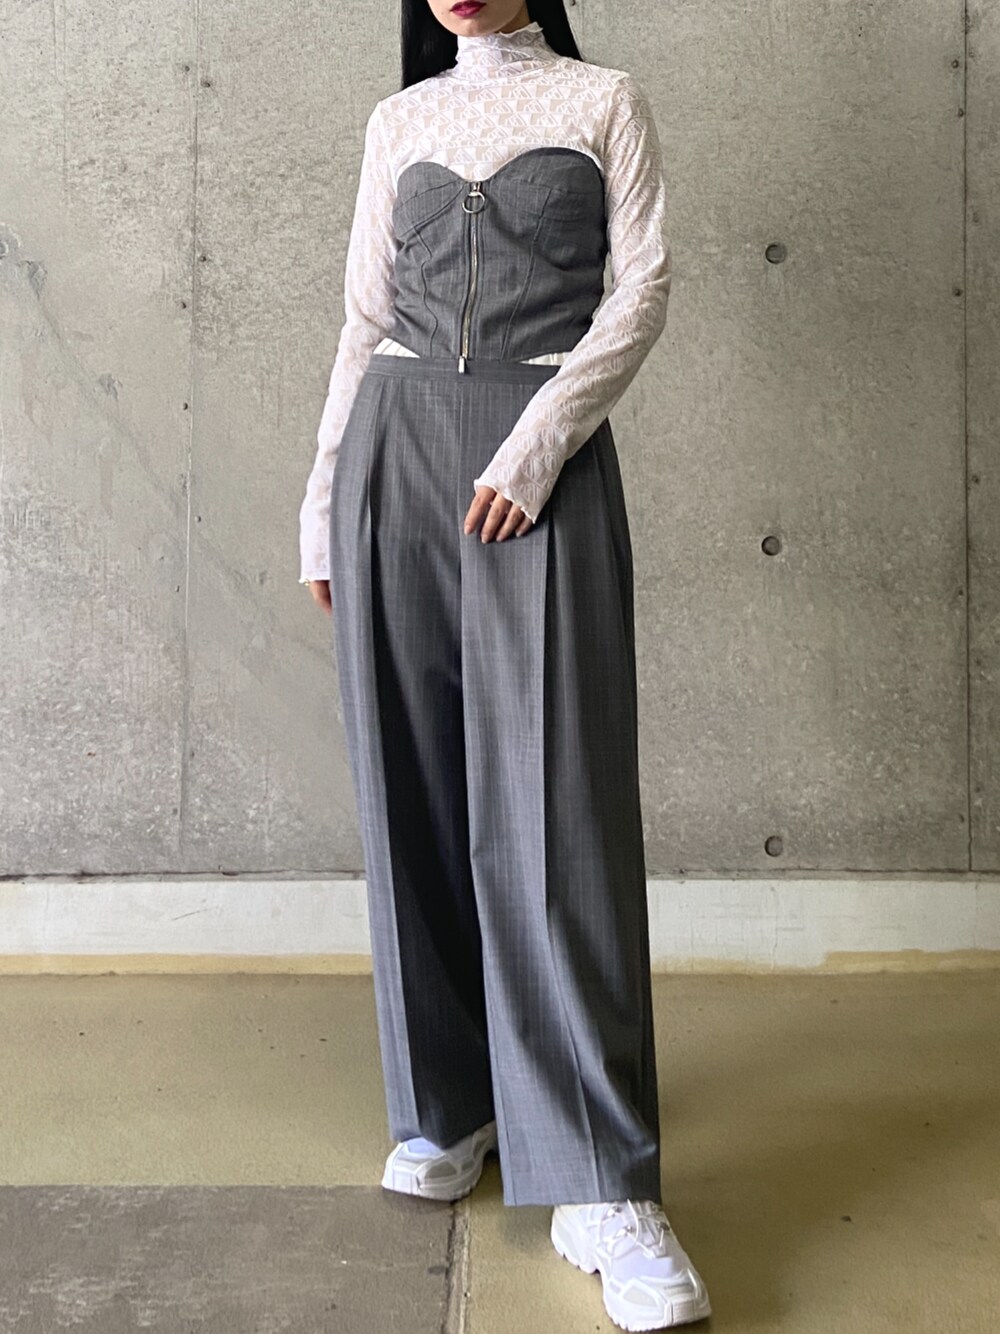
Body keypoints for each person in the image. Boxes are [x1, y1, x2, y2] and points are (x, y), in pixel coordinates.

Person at [298, 1, 711, 1328]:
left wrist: (537, 446)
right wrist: (324, 500)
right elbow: (364, 319)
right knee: (409, 781)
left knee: (557, 808)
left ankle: (599, 1178)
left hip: (539, 461)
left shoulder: (604, 101)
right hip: (394, 449)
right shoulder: (400, 119)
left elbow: (640, 291)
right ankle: (448, 1103)